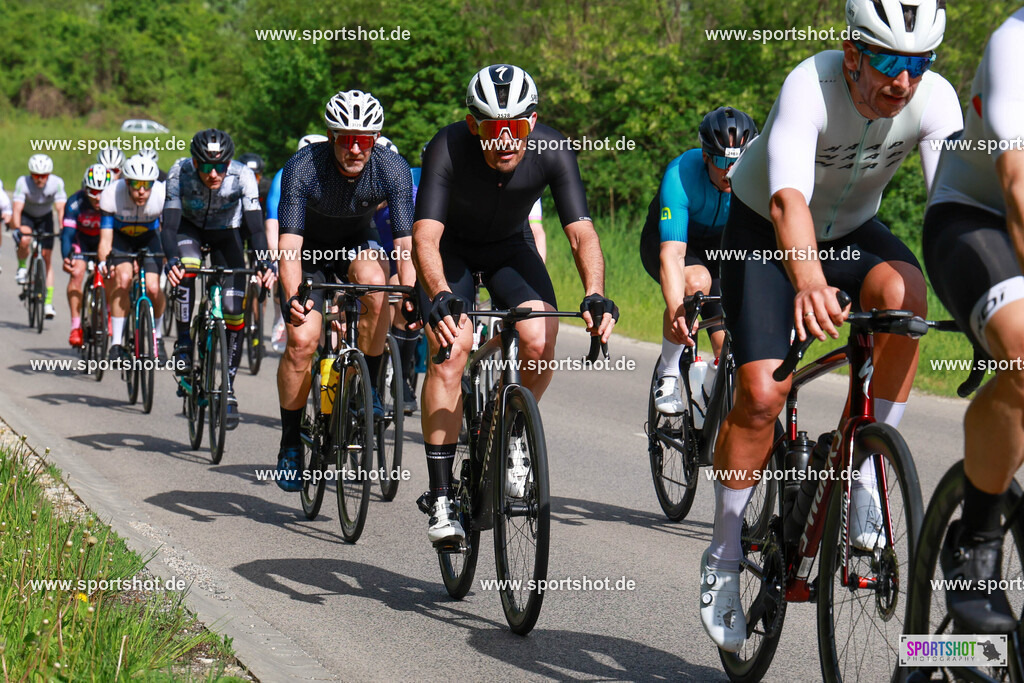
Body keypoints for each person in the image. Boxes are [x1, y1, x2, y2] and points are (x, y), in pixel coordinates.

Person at [699, 0, 962, 652]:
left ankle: (867, 470)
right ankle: (724, 554)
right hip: (765, 232)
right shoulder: (808, 84)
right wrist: (809, 281)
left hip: (852, 233)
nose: (904, 80)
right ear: (853, 54)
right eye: (888, 61)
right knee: (762, 394)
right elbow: (789, 199)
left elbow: (951, 207)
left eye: (919, 63)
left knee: (907, 296)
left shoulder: (935, 102)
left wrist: (989, 301)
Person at [414, 63, 618, 545]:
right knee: (451, 347)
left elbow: (580, 232)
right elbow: (425, 236)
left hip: (510, 247)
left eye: (516, 128)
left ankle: (514, 436)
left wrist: (593, 292)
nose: (505, 140)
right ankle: (441, 497)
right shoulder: (446, 146)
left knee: (539, 333)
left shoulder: (553, 149)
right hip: (452, 252)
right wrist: (440, 294)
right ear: (473, 126)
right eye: (492, 129)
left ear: (532, 121)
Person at [924, 6, 1024, 634]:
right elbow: (1016, 183)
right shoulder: (1014, 44)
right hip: (977, 218)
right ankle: (976, 543)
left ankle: (950, 657)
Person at [274, 91, 416, 491]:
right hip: (311, 255)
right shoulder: (302, 167)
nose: (355, 148)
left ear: (376, 138)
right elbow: (289, 247)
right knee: (302, 343)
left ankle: (368, 387)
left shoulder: (391, 166)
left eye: (365, 139)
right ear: (330, 135)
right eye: (346, 138)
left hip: (357, 245)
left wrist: (409, 291)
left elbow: (404, 242)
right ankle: (289, 442)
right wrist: (292, 297)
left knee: (375, 285)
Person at [640, 107, 758, 414]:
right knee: (695, 282)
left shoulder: (759, 177)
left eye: (738, 161)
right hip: (672, 242)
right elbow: (673, 254)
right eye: (721, 161)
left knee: (724, 345)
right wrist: (676, 308)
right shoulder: (681, 174)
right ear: (706, 156)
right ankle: (667, 373)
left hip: (720, 249)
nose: (730, 170)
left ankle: (708, 392)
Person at [163, 129, 271, 429]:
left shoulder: (242, 176)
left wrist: (264, 261)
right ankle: (184, 341)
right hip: (189, 229)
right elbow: (169, 227)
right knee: (188, 265)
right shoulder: (179, 172)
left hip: (227, 233)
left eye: (221, 166)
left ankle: (228, 388)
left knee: (235, 309)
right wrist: (171, 259)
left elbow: (257, 229)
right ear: (194, 162)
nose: (214, 174)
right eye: (207, 166)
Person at [98, 154, 168, 363]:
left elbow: (168, 232)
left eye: (147, 185)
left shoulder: (162, 195)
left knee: (154, 289)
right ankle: (116, 343)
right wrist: (103, 261)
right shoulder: (111, 194)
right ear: (126, 182)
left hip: (150, 238)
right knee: (124, 280)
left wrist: (170, 258)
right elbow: (105, 238)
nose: (141, 191)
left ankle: (159, 338)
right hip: (122, 239)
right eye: (136, 184)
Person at [266, 134, 328, 353]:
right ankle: (279, 317)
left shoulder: (330, 176)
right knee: (282, 269)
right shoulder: (285, 175)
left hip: (323, 244)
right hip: (290, 237)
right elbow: (273, 219)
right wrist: (274, 258)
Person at [62, 164, 112, 347]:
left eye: (102, 191)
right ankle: (76, 326)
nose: (98, 197)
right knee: (77, 273)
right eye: (93, 191)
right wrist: (67, 257)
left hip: (104, 242)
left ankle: (107, 315)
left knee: (112, 273)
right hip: (81, 242)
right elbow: (66, 235)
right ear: (85, 188)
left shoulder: (113, 202)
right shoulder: (75, 202)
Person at [13, 154, 66, 319]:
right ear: (31, 174)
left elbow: (60, 209)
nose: (39, 180)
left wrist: (64, 227)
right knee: (25, 239)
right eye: (36, 175)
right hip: (27, 216)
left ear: (48, 175)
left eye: (43, 176)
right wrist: (17, 227)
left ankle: (48, 303)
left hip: (45, 218)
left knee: (47, 258)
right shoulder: (23, 183)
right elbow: (17, 209)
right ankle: (22, 267)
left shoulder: (56, 183)